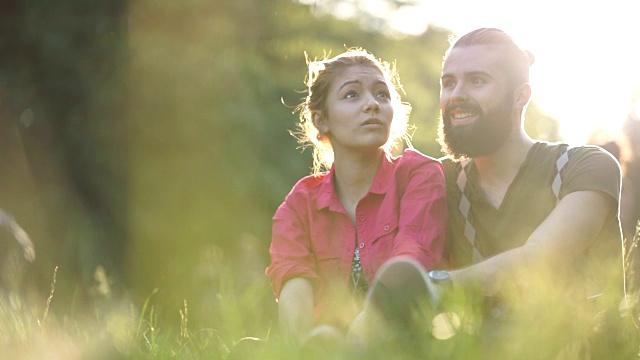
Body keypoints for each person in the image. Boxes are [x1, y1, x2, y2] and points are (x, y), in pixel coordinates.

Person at [349, 28, 627, 358]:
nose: (456, 95)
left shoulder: (585, 165)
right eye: (448, 83)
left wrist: (430, 286)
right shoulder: (439, 180)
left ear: (521, 95)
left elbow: (539, 260)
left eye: (477, 81)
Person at [265, 49, 448, 348]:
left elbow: (411, 264)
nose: (372, 105)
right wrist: (299, 348)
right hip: (324, 345)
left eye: (382, 95)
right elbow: (292, 282)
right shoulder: (300, 203)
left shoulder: (418, 174)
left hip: (406, 343)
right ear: (322, 120)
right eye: (352, 95)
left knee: (402, 275)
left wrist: (356, 343)